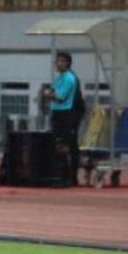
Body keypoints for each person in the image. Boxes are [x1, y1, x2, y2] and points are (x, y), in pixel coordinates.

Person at [43, 51, 85, 186]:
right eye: (57, 61)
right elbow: (50, 93)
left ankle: (71, 176)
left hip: (68, 114)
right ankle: (60, 173)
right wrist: (50, 94)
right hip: (58, 113)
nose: (58, 63)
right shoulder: (59, 78)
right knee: (58, 143)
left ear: (68, 63)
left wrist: (51, 94)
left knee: (68, 144)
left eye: (62, 61)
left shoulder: (69, 78)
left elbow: (60, 97)